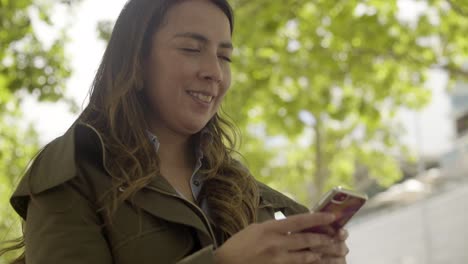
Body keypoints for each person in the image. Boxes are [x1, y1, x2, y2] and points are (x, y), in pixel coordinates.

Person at [5, 0, 349, 263]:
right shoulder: (72, 174)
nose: (214, 71)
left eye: (225, 57)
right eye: (191, 49)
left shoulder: (238, 185)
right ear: (136, 63)